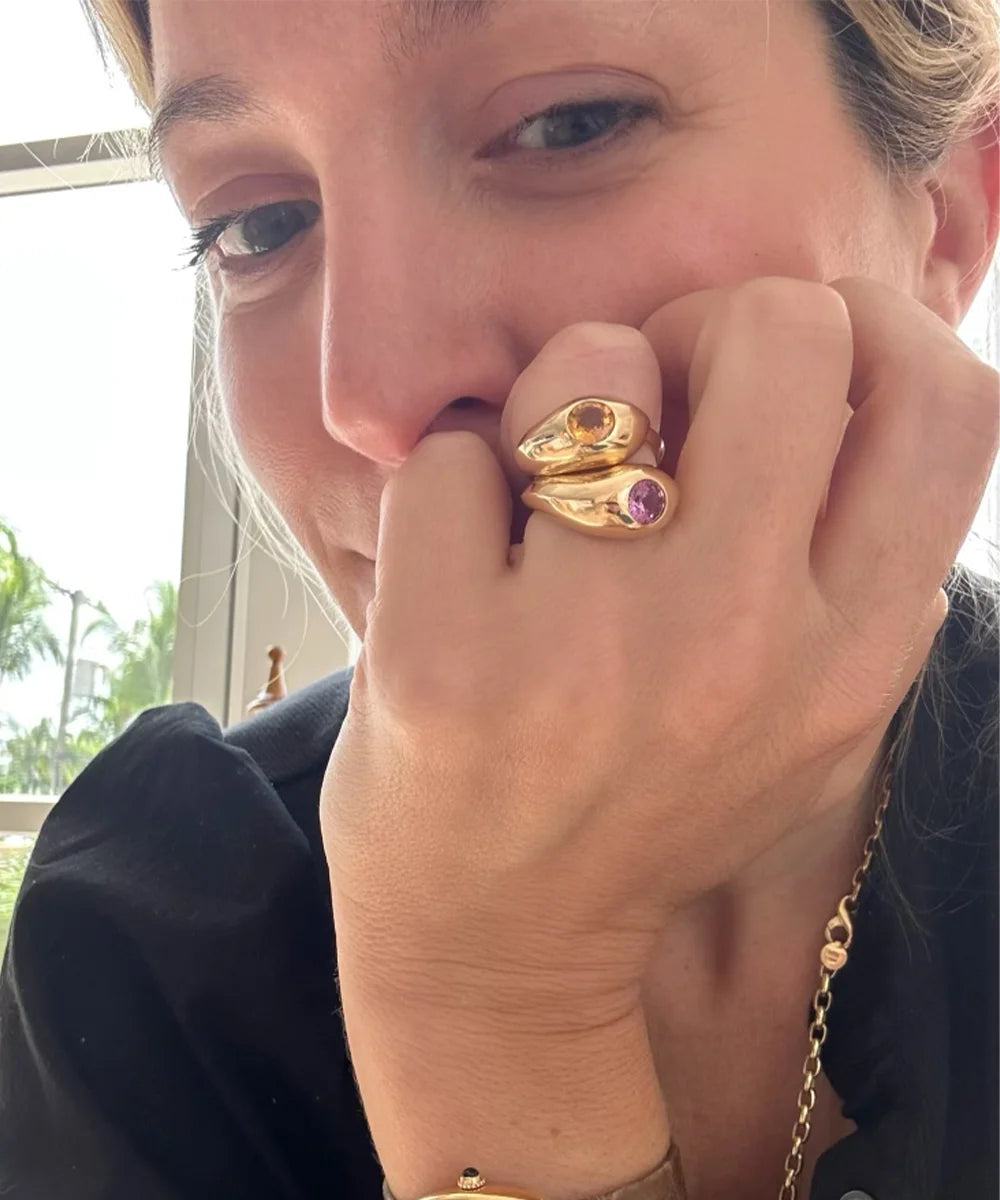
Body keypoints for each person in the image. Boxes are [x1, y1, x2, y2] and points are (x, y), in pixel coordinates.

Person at [1, 1, 998, 1198]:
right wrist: (487, 990)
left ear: (946, 215)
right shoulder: (140, 944)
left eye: (568, 122)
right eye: (257, 224)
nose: (369, 397)